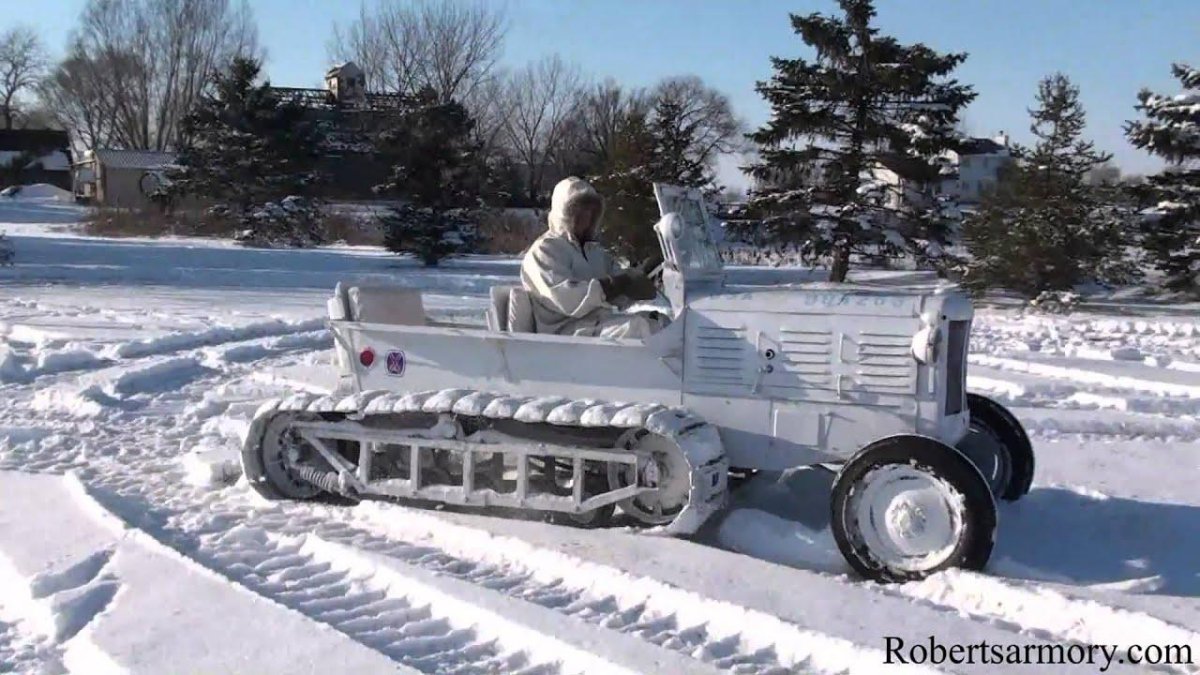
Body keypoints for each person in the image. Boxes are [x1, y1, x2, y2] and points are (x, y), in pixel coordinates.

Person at [520, 177, 667, 339]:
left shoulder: (594, 252)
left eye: (591, 212)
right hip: (562, 333)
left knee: (659, 322)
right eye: (580, 212)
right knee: (640, 329)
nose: (587, 218)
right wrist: (614, 285)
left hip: (595, 325)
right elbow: (567, 298)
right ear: (564, 214)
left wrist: (645, 276)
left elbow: (618, 294)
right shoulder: (546, 250)